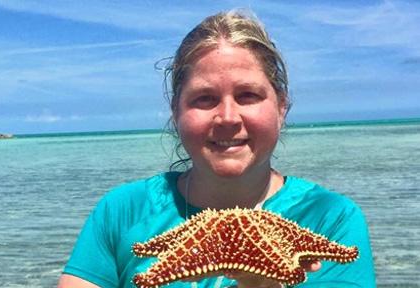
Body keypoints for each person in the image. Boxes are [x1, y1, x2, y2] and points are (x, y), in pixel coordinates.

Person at [58, 10, 376, 288]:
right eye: (204, 98)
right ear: (176, 111)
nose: (227, 118)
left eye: (248, 95)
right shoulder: (122, 211)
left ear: (281, 107)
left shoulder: (330, 219)